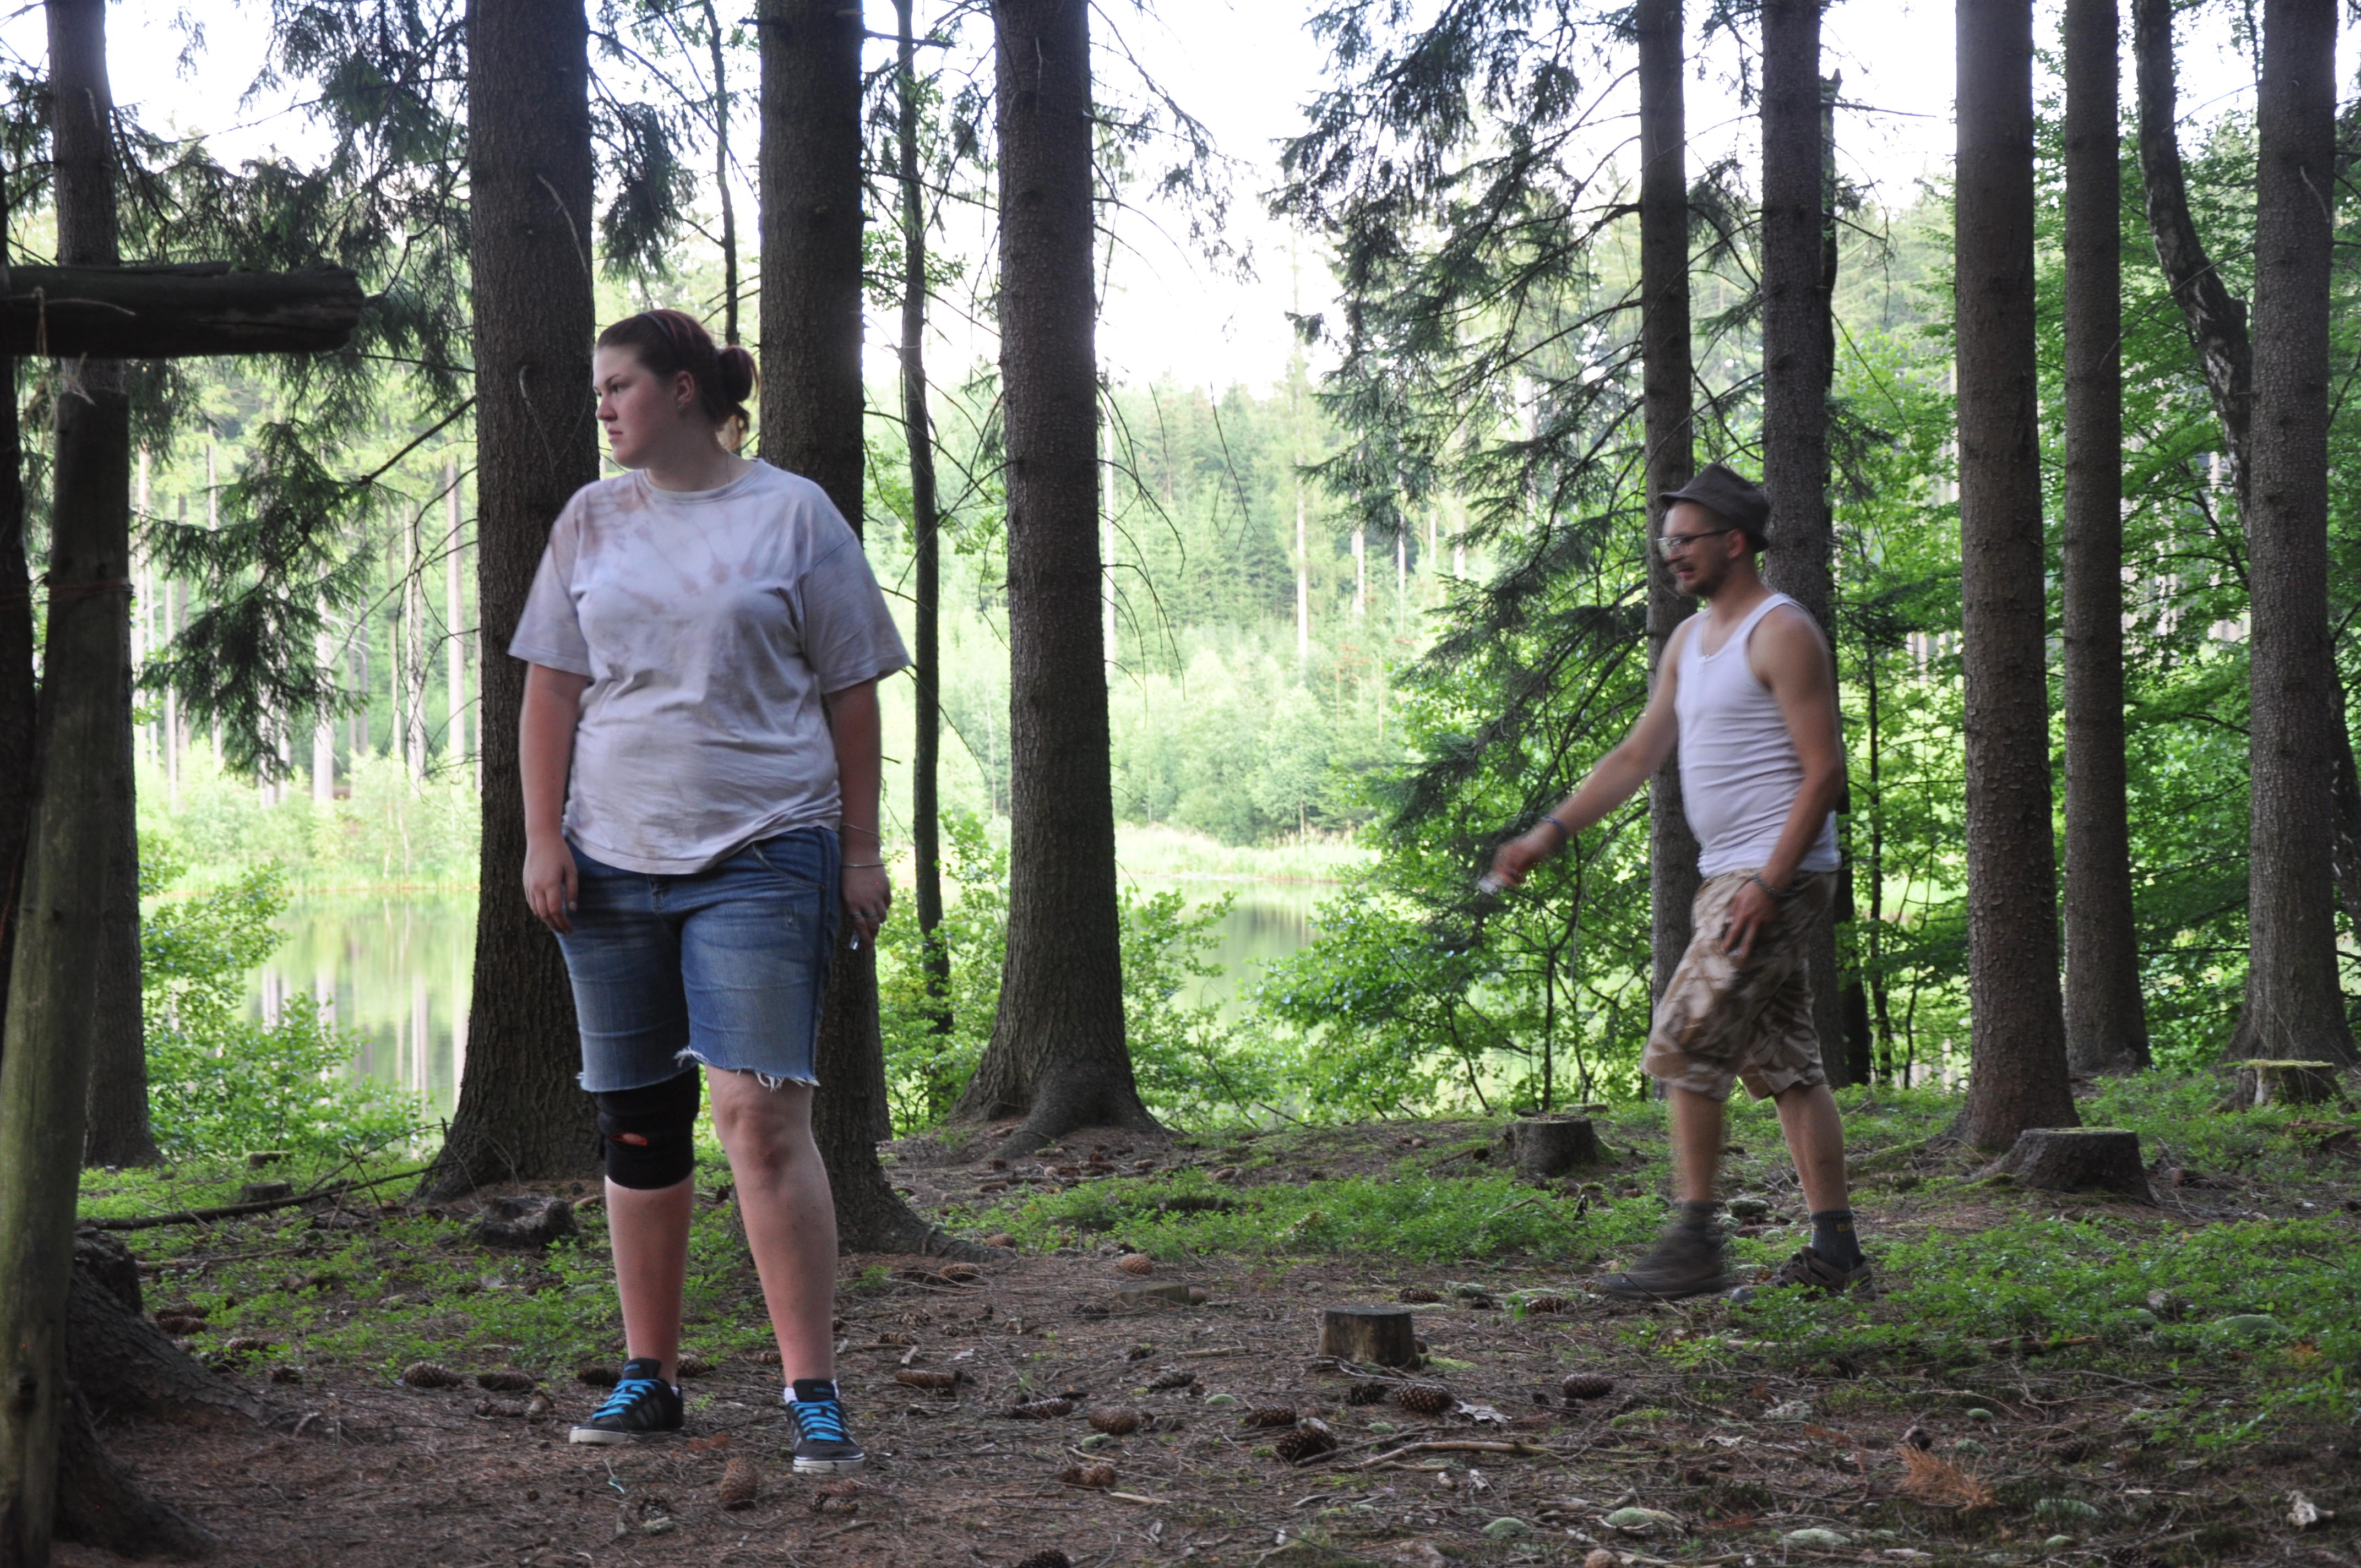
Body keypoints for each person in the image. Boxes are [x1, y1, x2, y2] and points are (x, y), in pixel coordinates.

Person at [510, 308, 905, 1466]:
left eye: (618, 384)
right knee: (637, 1120)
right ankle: (651, 1379)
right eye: (598, 388)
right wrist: (542, 838)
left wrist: (862, 849)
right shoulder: (590, 520)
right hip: (607, 858)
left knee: (758, 1120)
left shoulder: (793, 513)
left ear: (683, 390)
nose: (602, 406)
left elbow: (853, 691)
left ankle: (812, 1390)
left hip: (765, 848)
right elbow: (550, 690)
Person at [1486, 464, 1873, 1303]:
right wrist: (1548, 833)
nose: (1670, 554)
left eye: (1686, 540)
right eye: (1665, 542)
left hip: (1770, 875)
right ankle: (1837, 1251)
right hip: (1727, 876)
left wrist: (1770, 884)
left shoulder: (1780, 631)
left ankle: (1695, 1240)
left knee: (1688, 1039)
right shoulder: (1689, 643)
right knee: (1789, 1064)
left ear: (1733, 542)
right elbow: (1636, 755)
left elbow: (1825, 773)